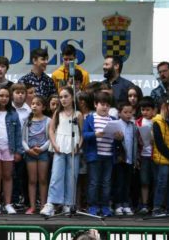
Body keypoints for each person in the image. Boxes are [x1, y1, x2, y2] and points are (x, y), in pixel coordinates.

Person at [41, 87, 83, 216]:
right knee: (56, 175)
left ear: (72, 97)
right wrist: (54, 144)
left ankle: (68, 204)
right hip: (59, 147)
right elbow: (52, 130)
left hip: (73, 148)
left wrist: (79, 146)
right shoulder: (57, 113)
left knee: (72, 176)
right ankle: (51, 203)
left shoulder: (78, 114)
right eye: (61, 97)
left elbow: (81, 134)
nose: (63, 99)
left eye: (66, 96)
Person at [0, 86, 23, 215]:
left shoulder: (13, 114)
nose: (4, 98)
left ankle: (8, 204)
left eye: (7, 96)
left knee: (8, 176)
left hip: (9, 148)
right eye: (1, 96)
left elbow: (18, 133)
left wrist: (19, 150)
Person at [83, 91, 117, 217]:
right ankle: (93, 205)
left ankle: (105, 205)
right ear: (95, 104)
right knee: (94, 182)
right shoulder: (90, 119)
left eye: (107, 105)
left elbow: (118, 137)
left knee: (106, 182)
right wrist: (95, 134)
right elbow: (84, 135)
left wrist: (119, 136)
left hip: (108, 156)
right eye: (102, 104)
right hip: (94, 156)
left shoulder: (113, 119)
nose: (105, 107)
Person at [22, 95, 50, 215]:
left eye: (38, 104)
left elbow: (50, 138)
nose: (34, 106)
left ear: (43, 107)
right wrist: (28, 150)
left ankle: (44, 205)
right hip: (30, 153)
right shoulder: (27, 120)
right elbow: (23, 139)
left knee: (43, 180)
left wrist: (42, 149)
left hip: (43, 153)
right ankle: (32, 206)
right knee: (32, 180)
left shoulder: (48, 120)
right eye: (33, 103)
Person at [113, 102, 139, 216]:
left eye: (130, 112)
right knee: (119, 183)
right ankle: (118, 204)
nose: (128, 115)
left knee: (128, 183)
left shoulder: (133, 126)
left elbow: (135, 143)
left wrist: (135, 158)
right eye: (125, 112)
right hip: (120, 160)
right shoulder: (116, 124)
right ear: (119, 113)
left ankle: (126, 204)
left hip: (129, 159)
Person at [136, 96, 159, 214]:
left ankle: (155, 204)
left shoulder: (157, 121)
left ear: (154, 110)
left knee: (156, 181)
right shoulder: (138, 122)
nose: (145, 112)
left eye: (147, 110)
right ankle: (144, 204)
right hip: (143, 155)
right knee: (144, 181)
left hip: (156, 156)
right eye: (143, 110)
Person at [10, 82, 32, 207]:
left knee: (22, 175)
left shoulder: (29, 111)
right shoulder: (8, 109)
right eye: (17, 93)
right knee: (10, 175)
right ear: (12, 94)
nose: (20, 95)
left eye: (22, 93)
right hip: (9, 147)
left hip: (24, 148)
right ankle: (11, 199)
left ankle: (22, 199)